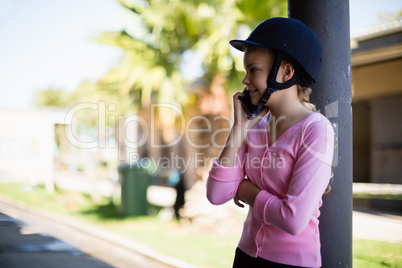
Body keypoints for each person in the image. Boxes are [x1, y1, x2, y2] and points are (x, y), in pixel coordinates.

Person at [206, 17, 334, 268]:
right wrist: (239, 129)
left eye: (253, 70)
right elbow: (216, 194)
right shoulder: (253, 128)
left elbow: (293, 219)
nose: (245, 80)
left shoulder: (316, 130)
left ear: (286, 72)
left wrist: (245, 189)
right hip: (245, 256)